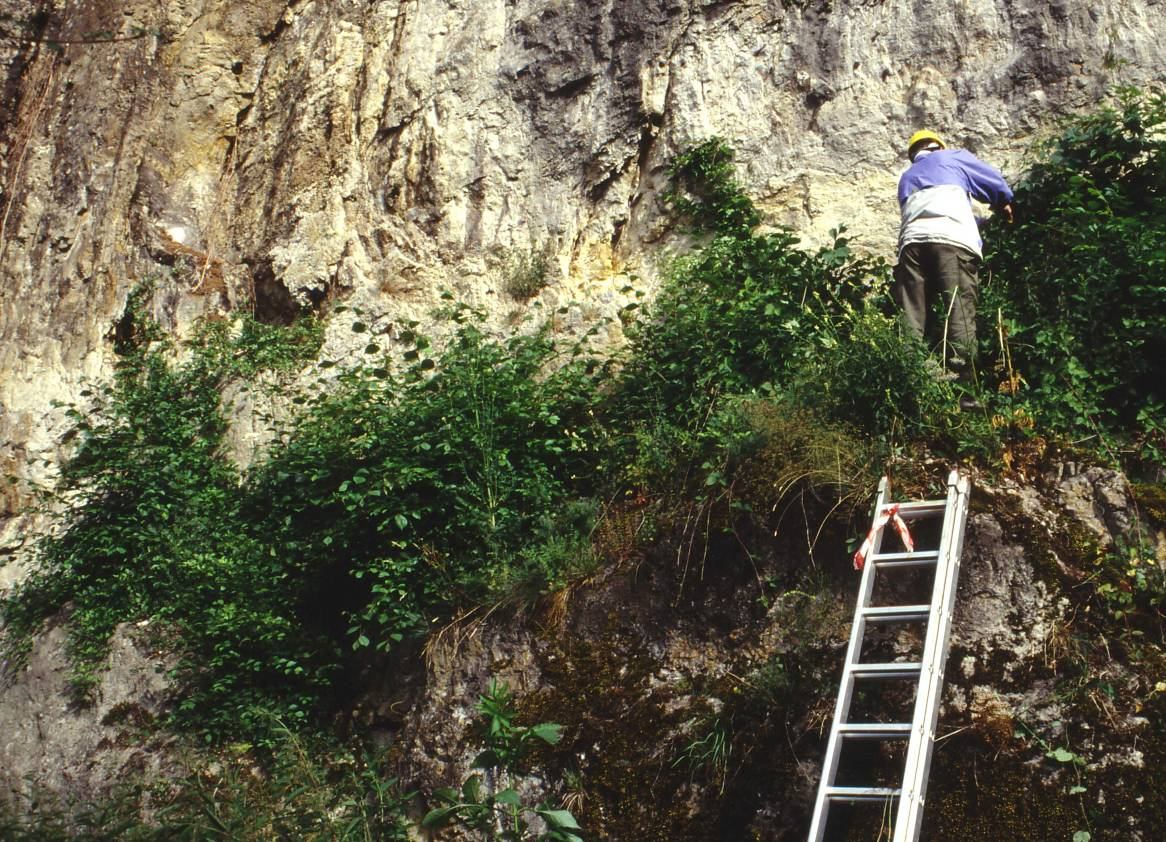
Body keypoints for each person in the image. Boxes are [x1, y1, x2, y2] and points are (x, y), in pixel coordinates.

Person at [893, 130, 1014, 400]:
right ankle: (965, 395)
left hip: (911, 246)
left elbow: (926, 213)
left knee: (912, 319)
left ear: (914, 154)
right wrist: (1005, 200)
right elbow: (992, 181)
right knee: (958, 312)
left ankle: (909, 391)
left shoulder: (906, 178)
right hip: (951, 242)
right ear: (937, 146)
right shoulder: (952, 157)